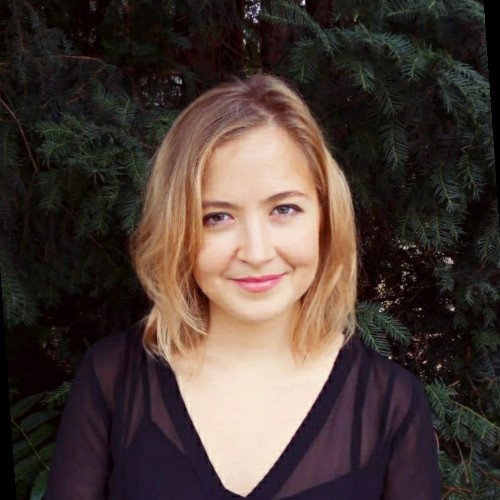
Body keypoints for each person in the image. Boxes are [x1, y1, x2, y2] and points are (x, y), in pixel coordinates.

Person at [45, 73, 441, 499]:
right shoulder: (111, 379)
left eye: (284, 209)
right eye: (217, 217)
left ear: (325, 218)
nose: (256, 252)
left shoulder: (391, 405)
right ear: (177, 231)